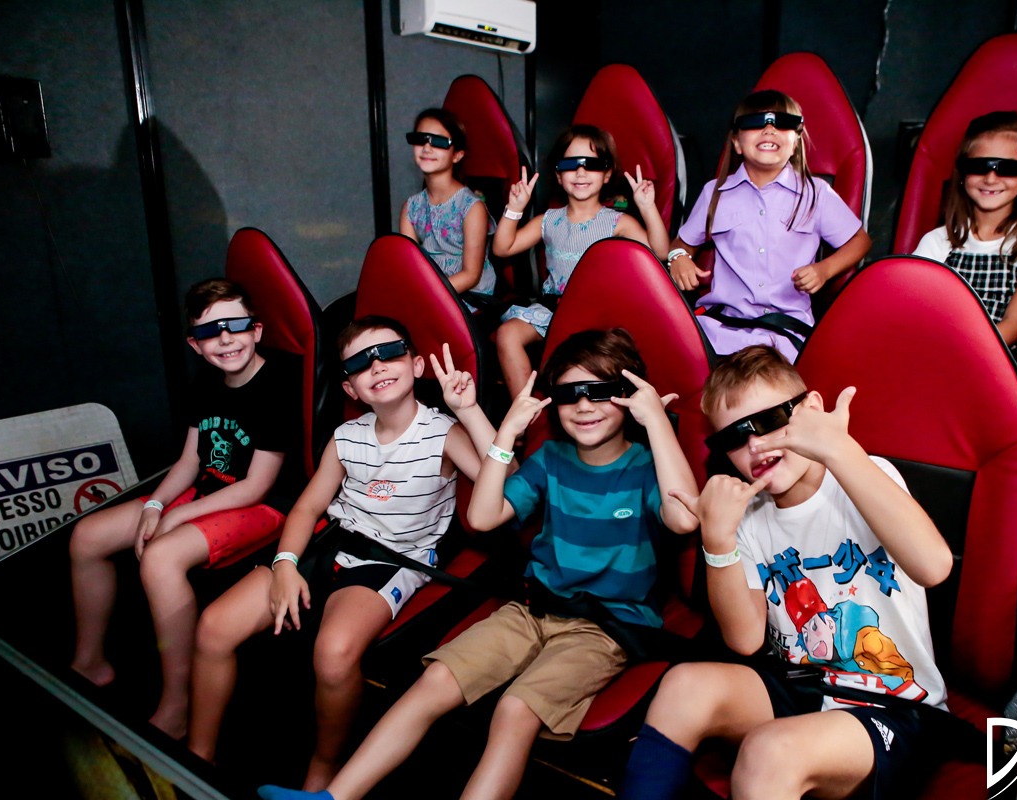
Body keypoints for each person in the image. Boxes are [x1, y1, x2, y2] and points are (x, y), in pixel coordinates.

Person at [257, 328, 699, 800]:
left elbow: (685, 519)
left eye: (601, 391)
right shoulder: (550, 458)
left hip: (605, 626)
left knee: (514, 710)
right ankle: (332, 797)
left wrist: (656, 424)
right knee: (433, 682)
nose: (584, 405)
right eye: (570, 394)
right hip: (532, 609)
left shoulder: (647, 465)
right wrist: (506, 431)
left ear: (629, 397)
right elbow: (484, 516)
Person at [618, 345, 953, 800]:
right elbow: (744, 638)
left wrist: (838, 447)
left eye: (769, 421)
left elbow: (933, 566)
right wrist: (717, 539)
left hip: (891, 703)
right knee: (684, 685)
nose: (755, 445)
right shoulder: (749, 517)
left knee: (768, 750)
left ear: (810, 409)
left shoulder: (864, 474)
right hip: (800, 687)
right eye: (734, 438)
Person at [189, 317, 496, 790]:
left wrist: (471, 411)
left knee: (333, 653)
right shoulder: (347, 435)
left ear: (416, 365)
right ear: (350, 387)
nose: (377, 366)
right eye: (360, 363)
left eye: (389, 353)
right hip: (331, 543)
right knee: (214, 625)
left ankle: (324, 770)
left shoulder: (444, 433)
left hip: (393, 560)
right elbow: (308, 506)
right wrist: (285, 566)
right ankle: (196, 757)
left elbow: (508, 487)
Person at [68, 278, 302, 738]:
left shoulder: (277, 385)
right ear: (196, 345)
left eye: (235, 326)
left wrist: (176, 516)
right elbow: (191, 460)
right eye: (211, 332)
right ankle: (89, 663)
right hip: (208, 493)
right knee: (87, 536)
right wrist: (156, 504)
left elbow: (256, 486)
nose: (226, 339)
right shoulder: (208, 382)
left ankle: (178, 703)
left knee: (160, 557)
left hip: (265, 505)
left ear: (256, 330)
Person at [667, 90, 871, 362]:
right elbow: (680, 244)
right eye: (756, 122)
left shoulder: (816, 193)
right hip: (721, 329)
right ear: (737, 143)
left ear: (796, 142)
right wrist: (678, 257)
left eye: (782, 123)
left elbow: (859, 241)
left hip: (785, 333)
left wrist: (825, 270)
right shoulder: (714, 193)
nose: (769, 129)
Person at [493, 125, 670, 398]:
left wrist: (647, 208)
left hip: (599, 314)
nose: (580, 172)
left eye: (592, 164)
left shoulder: (618, 222)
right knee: (507, 335)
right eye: (570, 164)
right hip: (554, 310)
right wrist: (514, 209)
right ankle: (526, 413)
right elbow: (503, 247)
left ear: (607, 173)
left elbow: (660, 252)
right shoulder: (548, 220)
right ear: (558, 174)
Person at [912, 111, 1017, 361]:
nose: (991, 178)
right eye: (978, 166)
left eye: (1008, 168)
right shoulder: (937, 242)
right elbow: (914, 307)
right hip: (936, 352)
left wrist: (956, 353)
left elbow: (1013, 326)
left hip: (998, 360)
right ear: (963, 172)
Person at [399, 108, 497, 306]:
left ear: (457, 155)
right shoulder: (411, 207)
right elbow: (410, 266)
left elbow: (471, 275)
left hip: (470, 296)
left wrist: (425, 295)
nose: (427, 147)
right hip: (428, 290)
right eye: (420, 139)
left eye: (439, 141)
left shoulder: (472, 207)